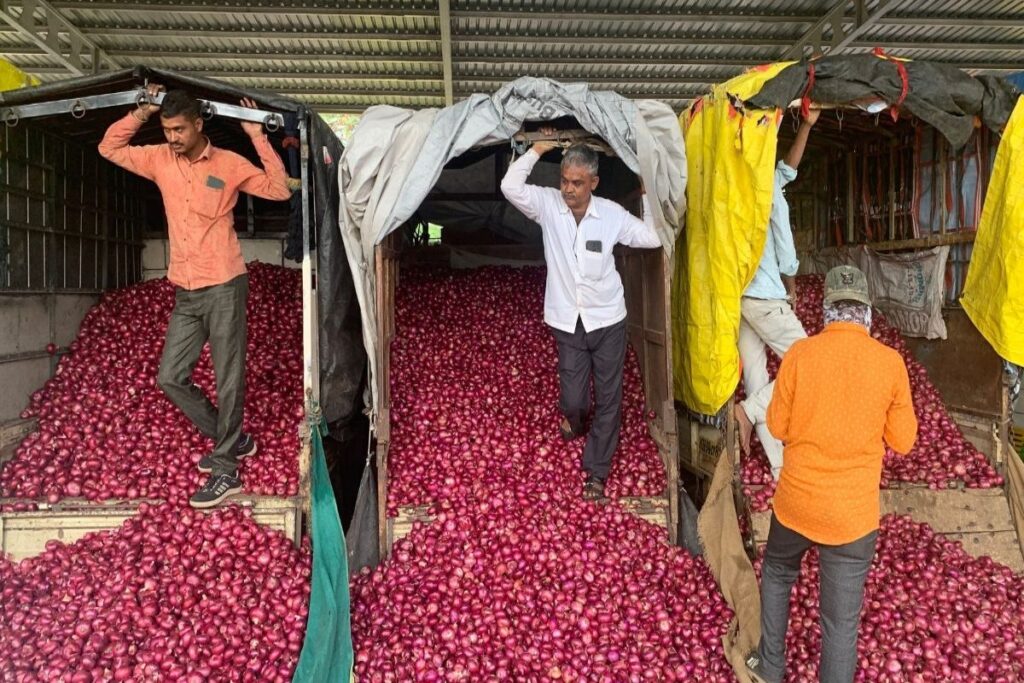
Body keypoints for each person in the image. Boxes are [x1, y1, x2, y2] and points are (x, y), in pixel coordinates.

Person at [99, 84, 292, 508]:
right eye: (168, 129)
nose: (173, 137)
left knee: (228, 378)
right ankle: (235, 437)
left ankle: (227, 469)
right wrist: (142, 114)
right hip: (185, 288)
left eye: (180, 129)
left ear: (199, 124)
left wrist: (256, 135)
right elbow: (109, 147)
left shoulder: (228, 163)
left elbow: (280, 189)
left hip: (224, 284)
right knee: (170, 377)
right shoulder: (158, 159)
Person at [745, 265, 918, 683]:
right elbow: (904, 440)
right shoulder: (890, 363)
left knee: (777, 574)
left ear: (825, 312)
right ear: (866, 313)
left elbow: (779, 426)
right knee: (840, 626)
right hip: (852, 518)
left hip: (797, 506)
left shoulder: (802, 355)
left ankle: (770, 667)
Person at [500, 129, 660, 502]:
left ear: (594, 183)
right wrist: (538, 149)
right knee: (574, 400)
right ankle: (576, 420)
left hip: (608, 320)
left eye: (576, 183)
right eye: (564, 181)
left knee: (609, 397)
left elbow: (651, 238)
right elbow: (510, 186)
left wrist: (648, 196)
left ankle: (596, 474)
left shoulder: (611, 215)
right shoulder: (547, 206)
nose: (568, 189)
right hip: (567, 321)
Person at [734, 108, 820, 481]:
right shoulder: (766, 189)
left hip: (740, 297)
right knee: (811, 364)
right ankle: (749, 411)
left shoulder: (736, 180)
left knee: (756, 374)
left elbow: (787, 170)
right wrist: (792, 279)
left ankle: (779, 467)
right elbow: (785, 244)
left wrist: (807, 125)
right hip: (767, 295)